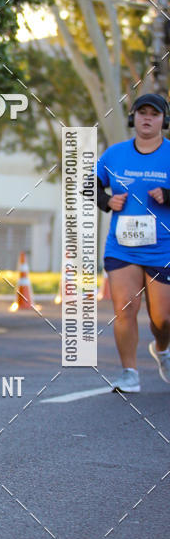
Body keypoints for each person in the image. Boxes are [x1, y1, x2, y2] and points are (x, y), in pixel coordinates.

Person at [97, 93, 170, 393]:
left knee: (163, 319)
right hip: (122, 246)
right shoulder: (114, 154)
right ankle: (129, 373)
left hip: (162, 248)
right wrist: (106, 200)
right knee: (126, 308)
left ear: (164, 120)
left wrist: (169, 195)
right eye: (142, 113)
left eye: (154, 113)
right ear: (133, 118)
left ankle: (162, 349)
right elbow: (89, 184)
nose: (148, 118)